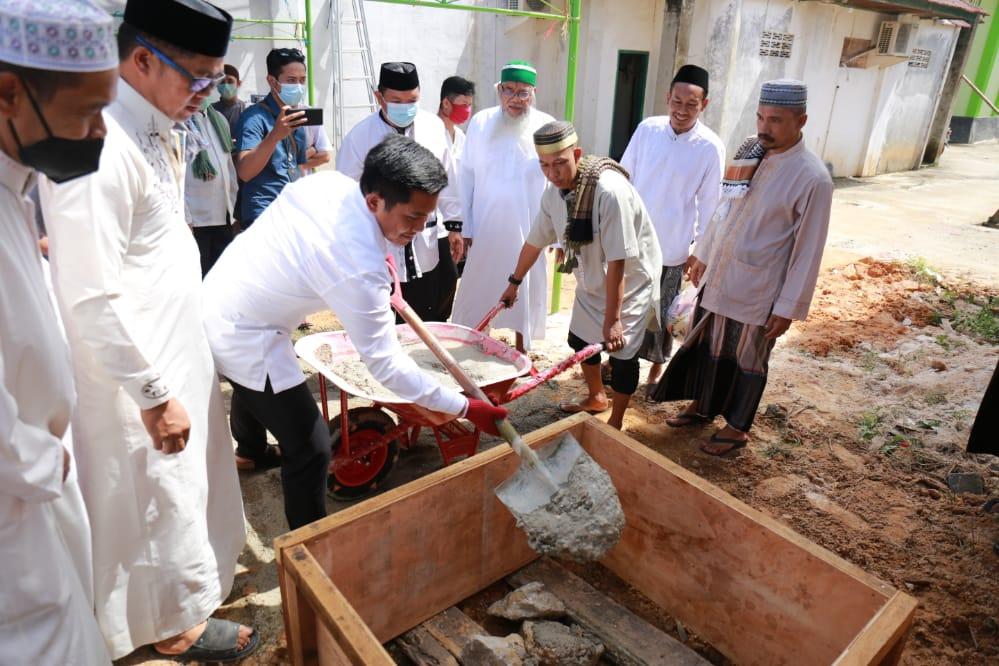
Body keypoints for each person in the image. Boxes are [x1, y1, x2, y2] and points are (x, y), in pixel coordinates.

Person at [38, 0, 255, 661]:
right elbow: (90, 292)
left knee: (177, 492)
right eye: (198, 76)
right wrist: (154, 393)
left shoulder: (154, 126)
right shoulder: (98, 146)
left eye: (216, 79)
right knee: (149, 498)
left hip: (167, 342)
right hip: (130, 367)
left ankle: (176, 606)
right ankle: (166, 627)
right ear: (139, 60)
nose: (207, 93)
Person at [203, 134, 508, 529]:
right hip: (244, 330)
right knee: (311, 447)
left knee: (260, 386)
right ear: (374, 200)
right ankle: (308, 545)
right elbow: (386, 367)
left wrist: (383, 259)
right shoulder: (358, 268)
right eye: (411, 217)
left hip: (224, 288)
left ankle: (251, 450)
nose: (418, 228)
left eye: (426, 217)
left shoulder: (329, 184)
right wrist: (466, 407)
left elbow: (351, 245)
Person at [0, 2, 116, 663]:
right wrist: (44, 460)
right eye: (85, 112)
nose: (99, 132)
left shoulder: (13, 188)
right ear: (9, 91)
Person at [650, 80, 833, 456]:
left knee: (747, 357)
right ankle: (703, 406)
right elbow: (724, 209)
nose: (764, 128)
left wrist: (787, 307)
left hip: (760, 289)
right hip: (721, 275)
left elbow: (808, 250)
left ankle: (736, 428)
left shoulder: (812, 178)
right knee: (710, 345)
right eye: (761, 118)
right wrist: (702, 252)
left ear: (802, 121)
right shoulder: (750, 152)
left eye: (776, 121)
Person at [501, 121, 661, 430]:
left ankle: (616, 421)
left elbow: (618, 261)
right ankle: (597, 397)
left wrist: (613, 320)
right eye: (545, 166)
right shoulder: (554, 193)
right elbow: (535, 241)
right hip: (593, 277)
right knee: (580, 339)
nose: (553, 173)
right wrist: (514, 283)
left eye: (560, 163)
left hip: (629, 282)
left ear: (577, 154)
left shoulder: (609, 193)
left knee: (622, 355)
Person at [621, 64, 724, 394]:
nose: (681, 110)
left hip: (674, 246)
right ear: (667, 98)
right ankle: (619, 360)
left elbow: (712, 205)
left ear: (703, 105)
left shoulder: (709, 147)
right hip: (633, 242)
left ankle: (656, 367)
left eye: (691, 105)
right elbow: (624, 178)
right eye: (676, 102)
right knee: (626, 303)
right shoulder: (647, 130)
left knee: (663, 313)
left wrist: (702, 252)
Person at [336, 62, 461, 322]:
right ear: (379, 97)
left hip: (428, 234)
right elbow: (345, 193)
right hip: (382, 242)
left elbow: (448, 177)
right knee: (388, 315)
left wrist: (455, 225)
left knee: (435, 303)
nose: (405, 107)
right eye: (396, 100)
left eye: (412, 100)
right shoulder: (360, 137)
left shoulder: (434, 127)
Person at [452, 61, 555, 352]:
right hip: (486, 225)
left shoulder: (545, 125)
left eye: (523, 92)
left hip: (530, 227)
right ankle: (478, 340)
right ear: (499, 90)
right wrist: (466, 225)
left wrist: (555, 234)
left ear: (534, 93)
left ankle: (522, 347)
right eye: (508, 90)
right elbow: (467, 175)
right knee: (481, 282)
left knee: (527, 282)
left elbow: (555, 183)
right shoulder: (481, 122)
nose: (515, 99)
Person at [234, 47, 308, 228]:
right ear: (272, 81)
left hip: (292, 212)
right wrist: (274, 136)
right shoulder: (254, 117)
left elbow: (298, 167)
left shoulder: (296, 116)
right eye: (291, 80)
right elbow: (244, 171)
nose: (298, 86)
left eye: (302, 80)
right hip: (263, 215)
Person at [185, 88, 237, 276]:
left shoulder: (219, 120)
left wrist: (232, 209)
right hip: (195, 222)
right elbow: (176, 176)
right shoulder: (177, 125)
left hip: (223, 217)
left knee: (220, 279)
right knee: (198, 278)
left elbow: (228, 168)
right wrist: (186, 219)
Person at [437, 74, 475, 290]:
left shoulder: (462, 138)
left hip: (457, 222)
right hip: (435, 222)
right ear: (445, 103)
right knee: (445, 279)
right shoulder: (429, 131)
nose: (467, 110)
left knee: (452, 278)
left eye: (470, 105)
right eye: (463, 105)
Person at [212, 62, 245, 137]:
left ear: (238, 83)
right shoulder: (211, 111)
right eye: (222, 82)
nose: (226, 85)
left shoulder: (245, 110)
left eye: (230, 81)